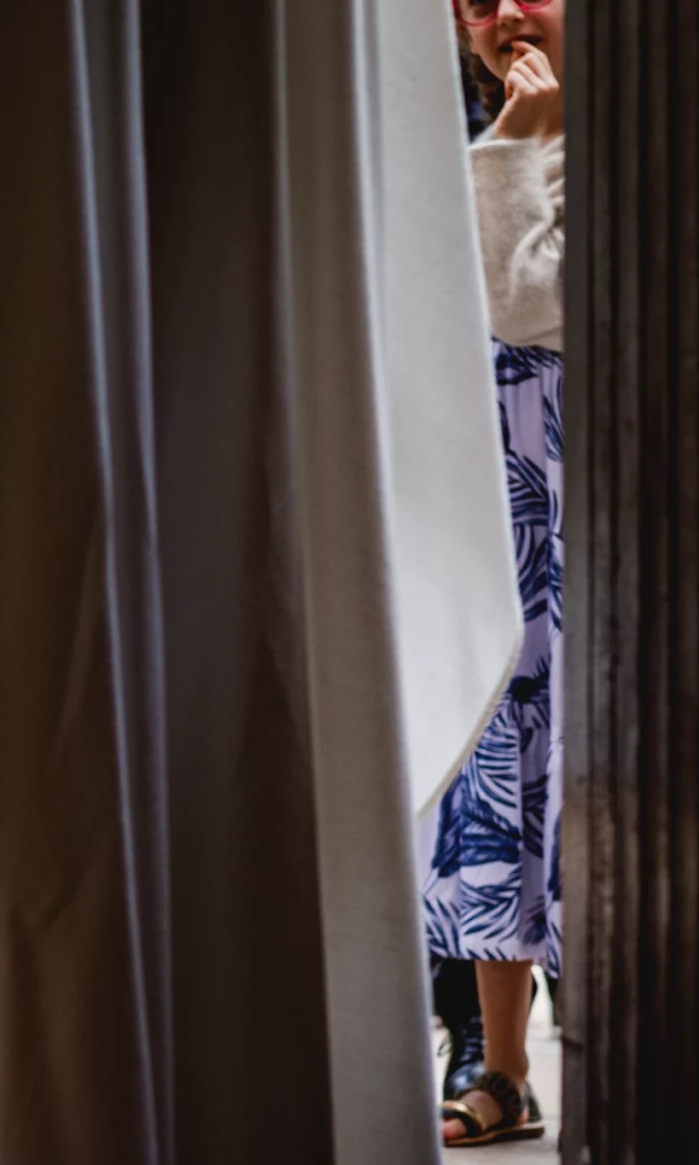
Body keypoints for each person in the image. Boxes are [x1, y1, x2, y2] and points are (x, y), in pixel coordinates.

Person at [429, 0, 565, 1148]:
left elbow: (532, 308)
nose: (505, 15)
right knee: (497, 785)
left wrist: (519, 146)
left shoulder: (629, 139)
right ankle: (502, 1066)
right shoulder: (460, 147)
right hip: (499, 521)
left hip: (598, 530)